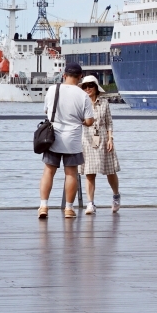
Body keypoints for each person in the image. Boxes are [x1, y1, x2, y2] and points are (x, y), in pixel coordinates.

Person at [38, 63, 94, 219]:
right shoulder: (83, 95)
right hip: (73, 139)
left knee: (48, 171)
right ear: (80, 77)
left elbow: (47, 111)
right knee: (71, 173)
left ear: (64, 75)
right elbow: (89, 121)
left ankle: (43, 206)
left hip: (52, 137)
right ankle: (69, 209)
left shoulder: (52, 89)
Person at [80, 75, 121, 215]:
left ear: (96, 87)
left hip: (103, 137)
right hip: (87, 138)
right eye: (84, 86)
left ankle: (116, 196)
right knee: (89, 173)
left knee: (110, 171)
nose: (87, 89)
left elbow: (109, 122)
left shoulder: (104, 103)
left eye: (90, 86)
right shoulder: (80, 102)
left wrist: (110, 139)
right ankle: (90, 203)